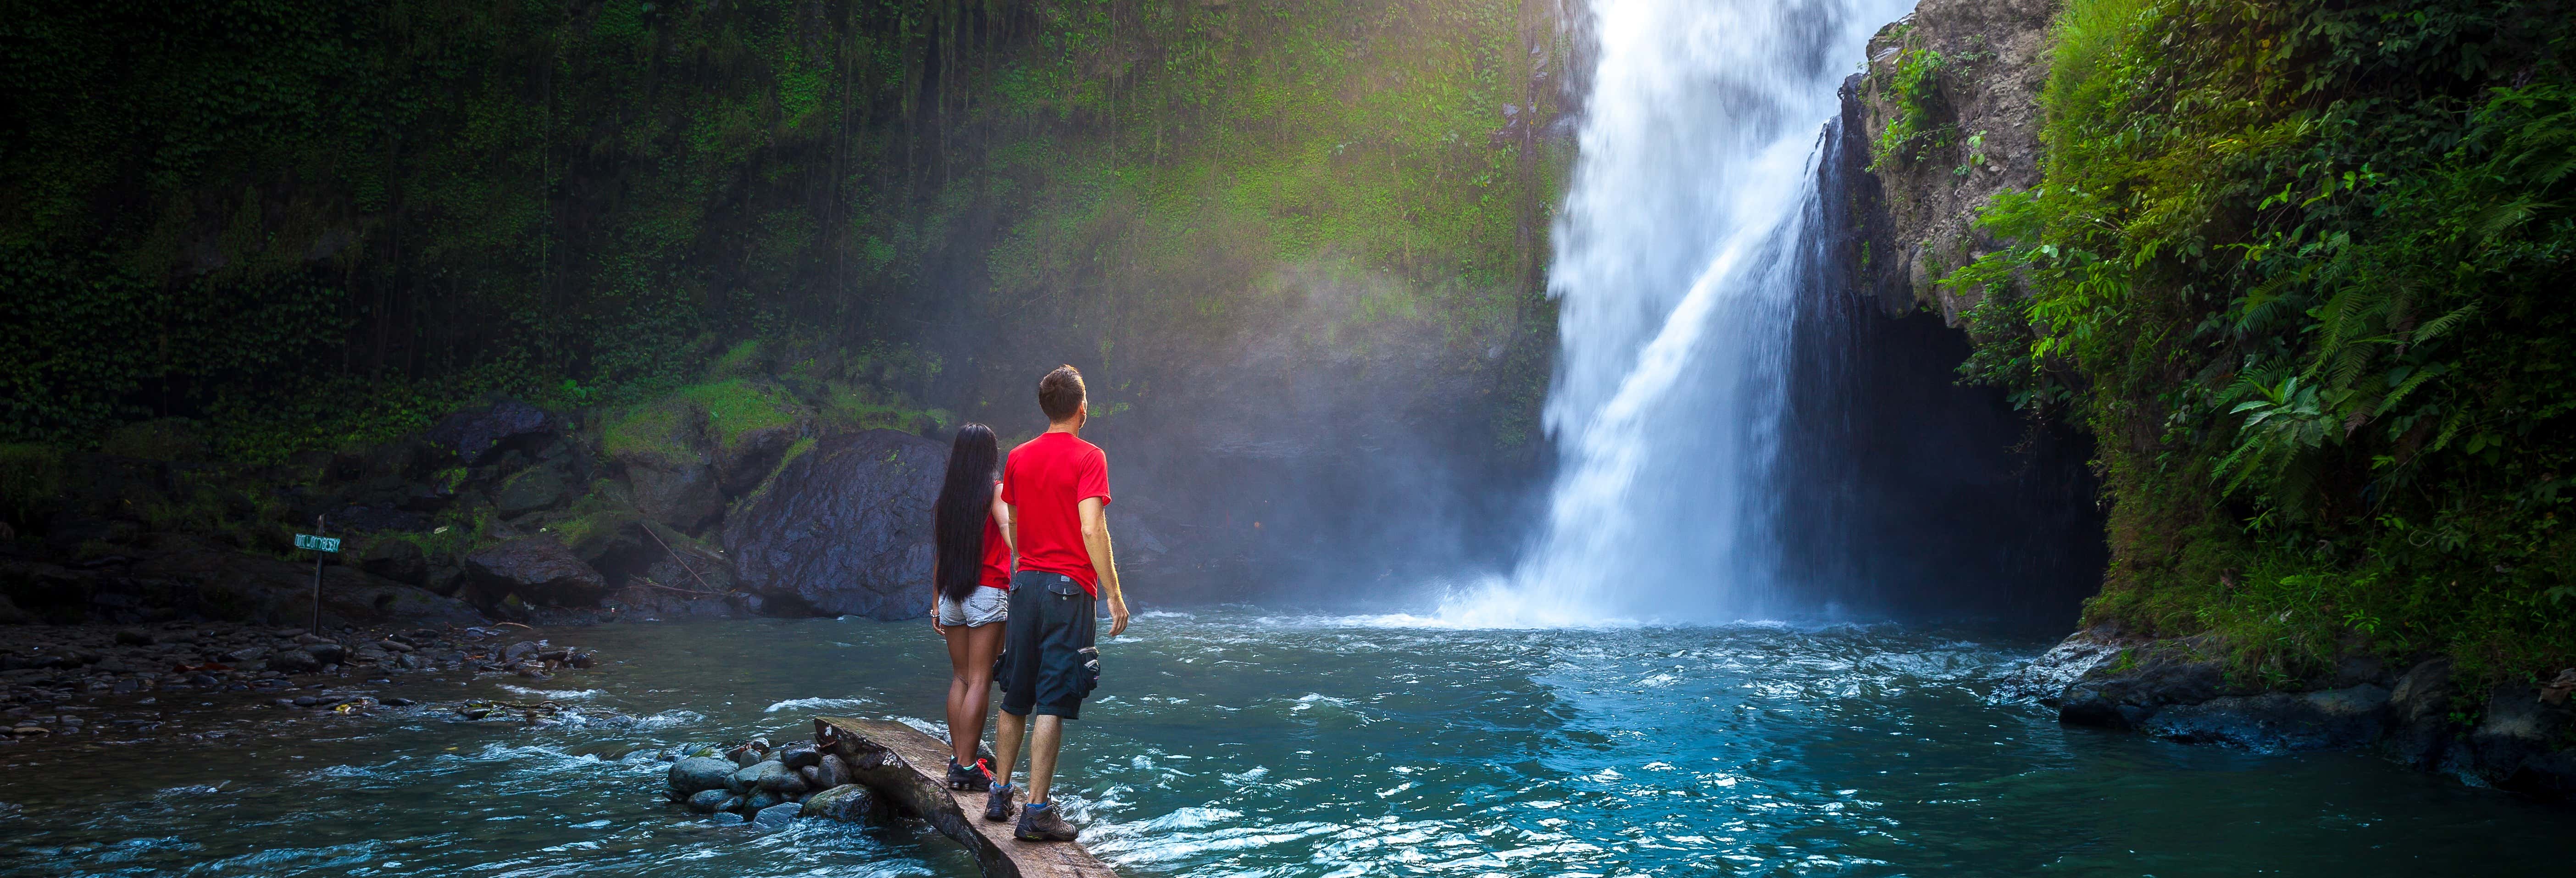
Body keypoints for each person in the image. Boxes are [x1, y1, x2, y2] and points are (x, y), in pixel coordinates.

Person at [985, 364, 1130, 841]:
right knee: (1052, 697)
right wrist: (1114, 594)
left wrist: (1028, 564)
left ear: (1046, 408)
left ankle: (999, 795)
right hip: (1069, 590)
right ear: (1082, 408)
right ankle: (1037, 812)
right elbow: (1092, 527)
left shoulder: (1018, 457)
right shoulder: (1090, 457)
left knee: (1015, 692)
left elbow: (1014, 524)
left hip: (1025, 584)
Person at [929, 423, 1014, 793]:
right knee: (980, 679)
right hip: (987, 593)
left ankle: (958, 759)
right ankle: (967, 766)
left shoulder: (948, 499)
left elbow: (940, 554)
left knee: (960, 678)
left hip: (952, 595)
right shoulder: (995, 491)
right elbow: (1008, 528)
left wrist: (935, 604)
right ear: (990, 455)